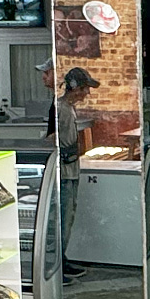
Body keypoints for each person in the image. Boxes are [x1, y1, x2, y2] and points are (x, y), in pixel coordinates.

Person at [55, 66, 98, 283]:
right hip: (63, 173)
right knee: (63, 218)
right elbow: (51, 138)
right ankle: (57, 265)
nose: (86, 93)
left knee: (68, 217)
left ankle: (62, 259)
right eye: (84, 88)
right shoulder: (60, 109)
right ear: (74, 88)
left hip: (71, 170)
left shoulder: (68, 108)